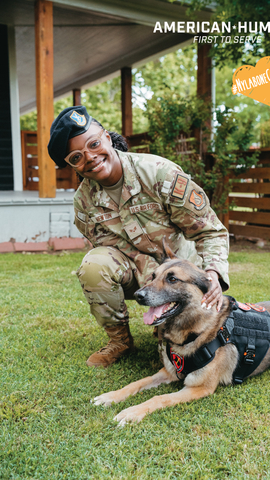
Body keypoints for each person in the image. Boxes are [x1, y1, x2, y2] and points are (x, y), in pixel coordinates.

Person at [47, 105, 230, 368]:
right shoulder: (84, 202)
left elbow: (210, 231)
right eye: (76, 157)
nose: (89, 157)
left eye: (94, 144)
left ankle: (170, 327)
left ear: (107, 138)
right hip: (139, 274)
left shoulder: (160, 174)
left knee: (187, 350)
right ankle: (120, 341)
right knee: (93, 264)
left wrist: (212, 273)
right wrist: (148, 274)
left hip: (182, 273)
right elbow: (106, 249)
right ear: (71, 165)